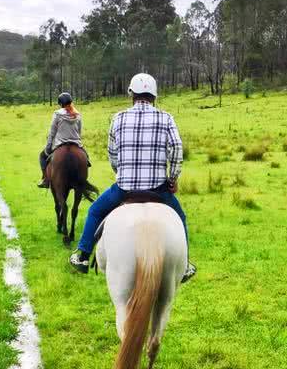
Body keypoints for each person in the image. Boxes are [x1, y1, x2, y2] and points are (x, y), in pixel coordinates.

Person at [69, 73, 196, 282]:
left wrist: (122, 172)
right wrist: (172, 179)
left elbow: (112, 154)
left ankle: (82, 255)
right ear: (154, 96)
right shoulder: (166, 118)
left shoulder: (118, 118)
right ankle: (185, 266)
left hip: (124, 188)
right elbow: (176, 149)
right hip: (159, 190)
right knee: (180, 218)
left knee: (95, 211)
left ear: (132, 94)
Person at [39, 92, 86, 188]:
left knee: (42, 156)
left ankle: (45, 179)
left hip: (60, 143)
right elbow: (79, 132)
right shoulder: (77, 114)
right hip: (76, 143)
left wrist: (48, 148)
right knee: (86, 159)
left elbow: (52, 133)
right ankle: (83, 179)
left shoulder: (57, 114)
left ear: (60, 103)